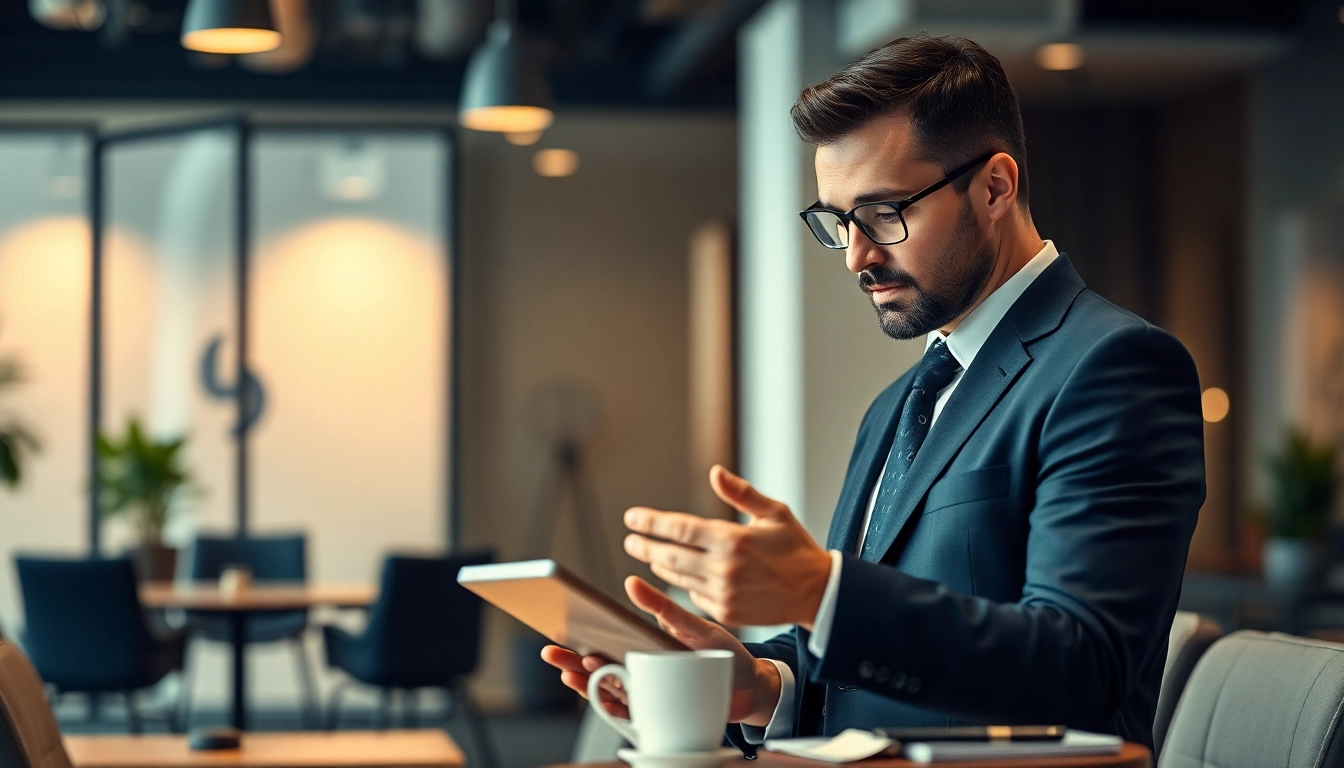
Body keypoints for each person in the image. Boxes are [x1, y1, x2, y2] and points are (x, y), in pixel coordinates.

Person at [543, 34, 1205, 754]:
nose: (858, 254)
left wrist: (819, 592)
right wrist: (764, 683)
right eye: (839, 220)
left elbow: (1083, 668)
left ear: (994, 187)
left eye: (885, 213)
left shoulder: (1115, 366)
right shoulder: (897, 404)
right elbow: (867, 665)